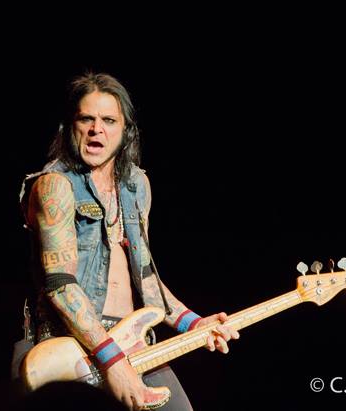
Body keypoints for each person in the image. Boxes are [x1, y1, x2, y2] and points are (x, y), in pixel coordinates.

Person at [15, 72, 240, 410]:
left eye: (109, 121)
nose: (96, 129)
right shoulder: (55, 185)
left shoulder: (136, 186)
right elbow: (60, 285)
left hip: (134, 341)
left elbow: (145, 277)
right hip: (74, 346)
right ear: (70, 126)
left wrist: (193, 323)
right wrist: (112, 361)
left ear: (126, 131)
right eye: (86, 119)